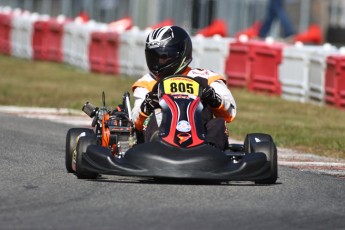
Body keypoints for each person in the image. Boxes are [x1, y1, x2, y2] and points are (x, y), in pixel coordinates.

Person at [131, 26, 236, 150]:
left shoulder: (206, 78)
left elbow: (230, 113)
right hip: (160, 138)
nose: (158, 61)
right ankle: (157, 147)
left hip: (199, 137)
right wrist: (146, 106)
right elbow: (135, 121)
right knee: (154, 116)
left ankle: (211, 153)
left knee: (218, 123)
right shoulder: (147, 83)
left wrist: (214, 98)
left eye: (164, 56)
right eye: (154, 56)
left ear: (181, 53)